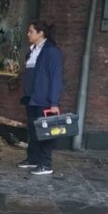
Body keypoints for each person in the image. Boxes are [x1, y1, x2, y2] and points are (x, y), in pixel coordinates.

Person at [18, 20, 63, 175]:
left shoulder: (51, 51)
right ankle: (33, 159)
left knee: (45, 131)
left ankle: (46, 164)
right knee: (32, 129)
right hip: (32, 97)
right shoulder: (32, 51)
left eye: (31, 31)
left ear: (40, 33)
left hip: (44, 99)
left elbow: (56, 77)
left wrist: (54, 102)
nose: (28, 34)